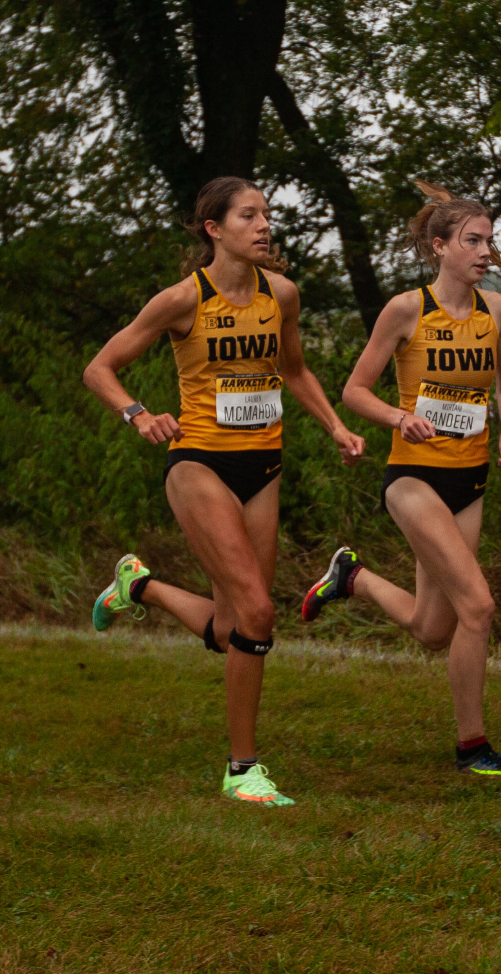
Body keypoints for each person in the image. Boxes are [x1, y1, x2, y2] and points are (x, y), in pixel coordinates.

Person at [82, 176, 366, 806]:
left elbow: (293, 370)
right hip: (198, 462)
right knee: (260, 614)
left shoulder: (281, 295)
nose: (264, 224)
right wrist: (139, 414)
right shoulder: (182, 300)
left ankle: (140, 586)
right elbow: (99, 368)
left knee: (229, 628)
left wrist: (337, 426)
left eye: (267, 213)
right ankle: (243, 768)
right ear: (215, 229)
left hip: (263, 466)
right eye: (248, 215)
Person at [299, 181, 501, 779]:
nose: (486, 251)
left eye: (489, 240)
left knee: (434, 627)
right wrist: (401, 416)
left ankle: (353, 578)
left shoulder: (497, 312)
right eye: (472, 240)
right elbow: (353, 391)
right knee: (478, 606)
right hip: (412, 479)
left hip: (469, 480)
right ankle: (472, 746)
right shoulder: (406, 310)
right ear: (439, 246)